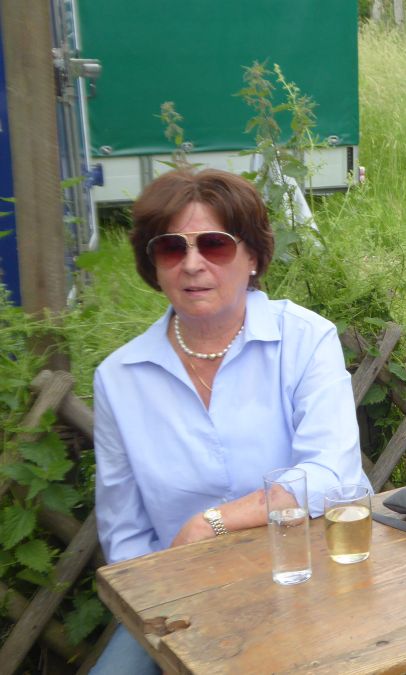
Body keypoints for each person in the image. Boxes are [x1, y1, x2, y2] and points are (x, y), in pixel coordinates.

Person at [91, 169, 370, 674]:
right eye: (171, 248)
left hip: (305, 577)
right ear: (153, 265)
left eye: (214, 244)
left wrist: (210, 523)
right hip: (182, 597)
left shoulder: (305, 339)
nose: (192, 264)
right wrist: (165, 601)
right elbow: (124, 536)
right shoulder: (119, 378)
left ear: (253, 257)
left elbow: (332, 475)